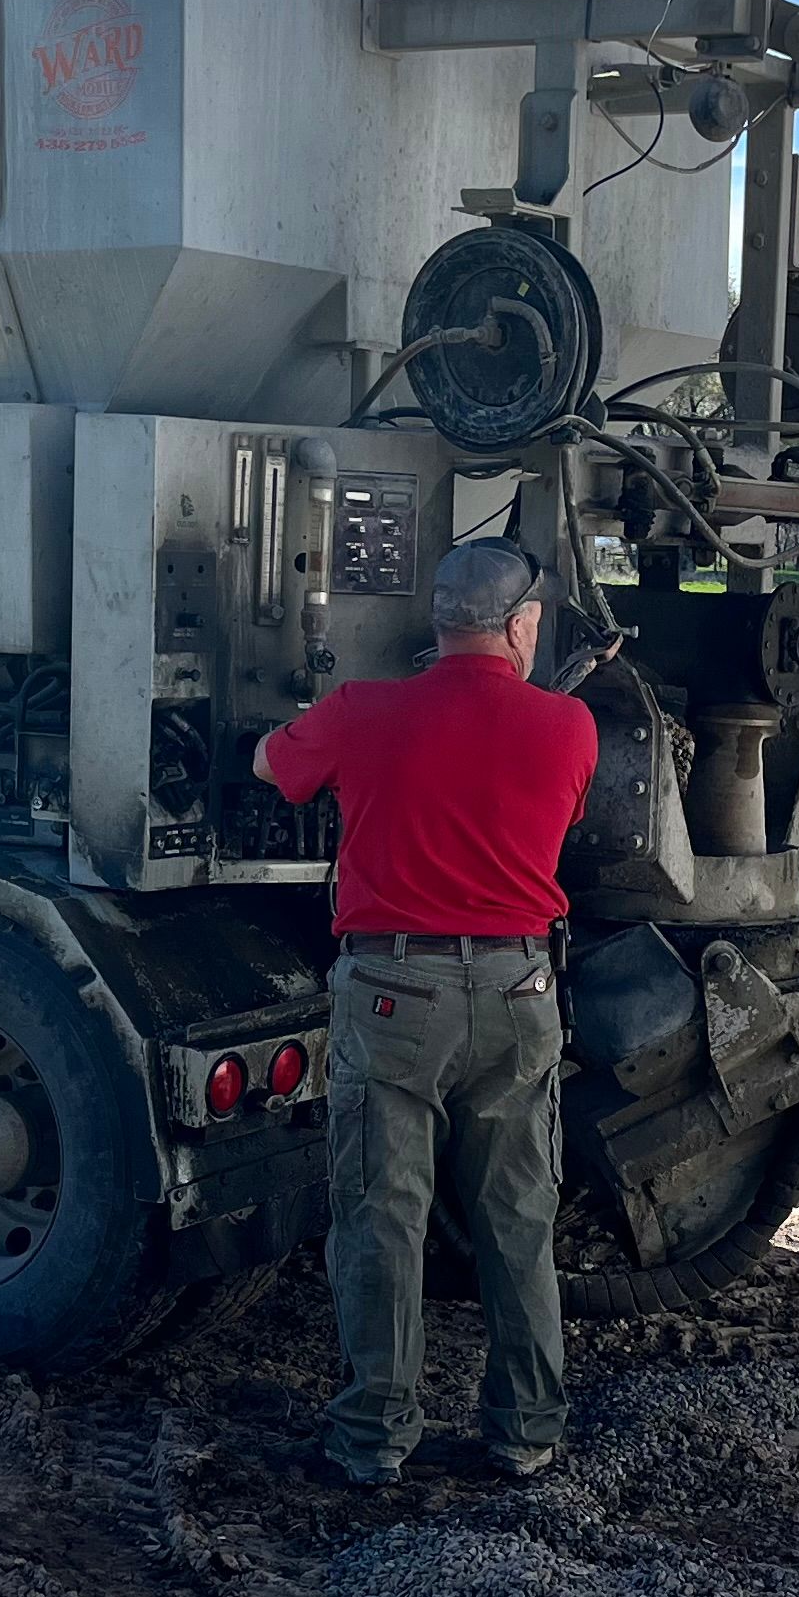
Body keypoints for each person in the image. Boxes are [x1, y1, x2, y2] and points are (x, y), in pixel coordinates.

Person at [252, 538, 598, 1486]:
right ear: (522, 626)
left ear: (439, 623)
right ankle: (525, 1430)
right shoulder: (570, 727)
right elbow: (549, 820)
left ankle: (373, 1438)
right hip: (522, 992)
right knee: (519, 1218)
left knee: (381, 1218)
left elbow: (272, 766)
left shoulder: (362, 711)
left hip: (396, 995)